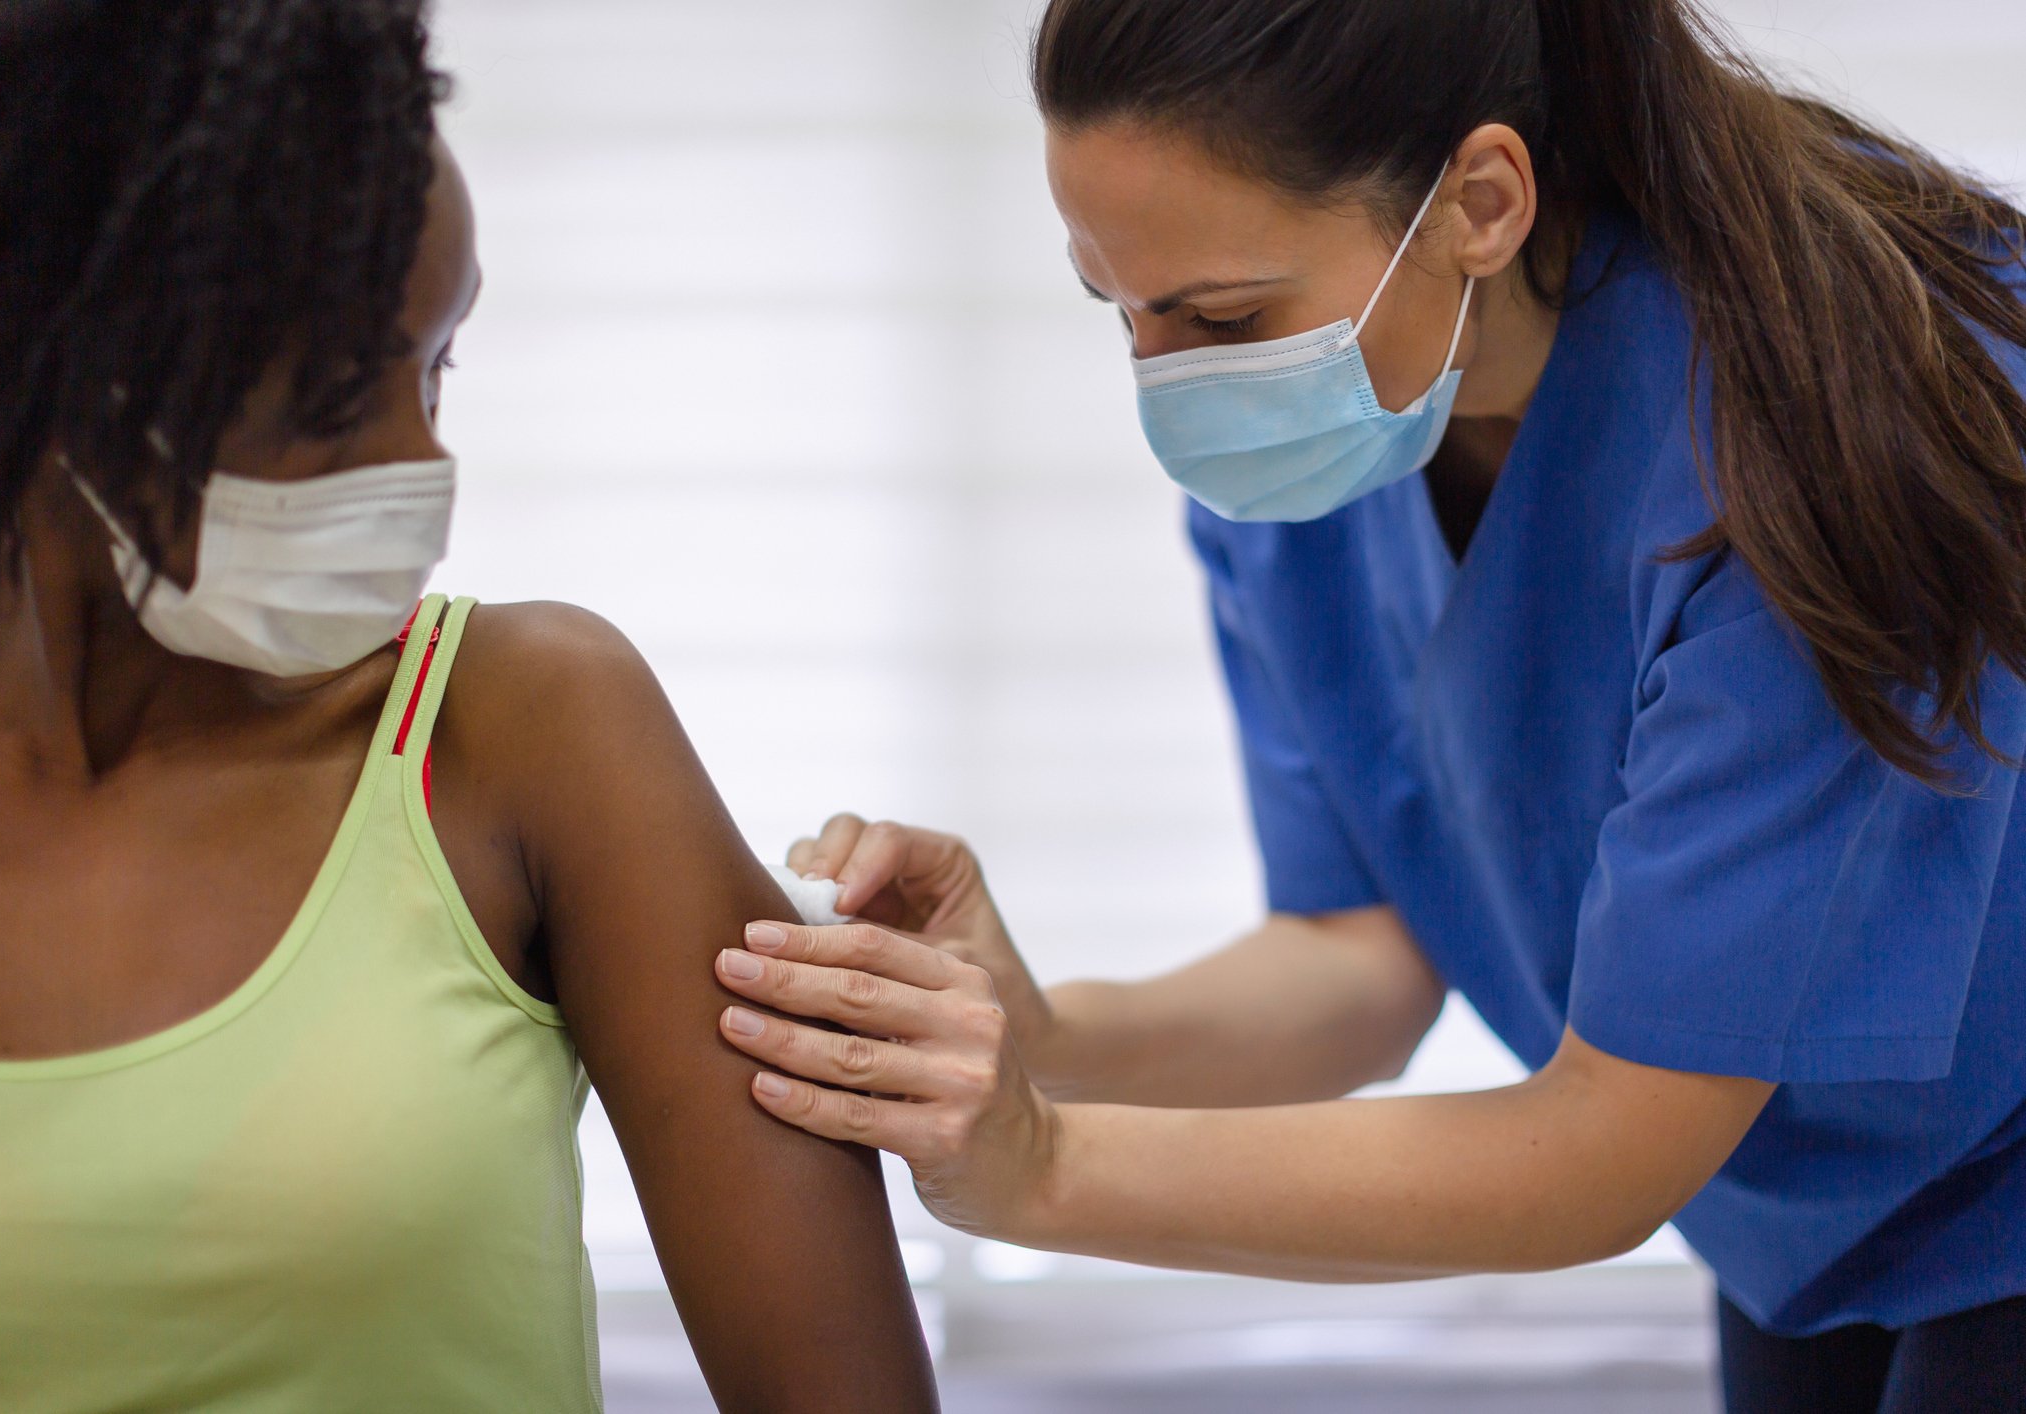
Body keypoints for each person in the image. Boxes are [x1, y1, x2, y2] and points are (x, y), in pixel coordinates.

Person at [709, 0, 2026, 1409]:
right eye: (1121, 307)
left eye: (1219, 315)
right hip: (1800, 1217)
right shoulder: (1321, 464)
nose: (1168, 384)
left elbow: (1598, 1150)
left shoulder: (1809, 446)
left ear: (1479, 201)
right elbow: (1362, 964)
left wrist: (1043, 1161)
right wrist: (1032, 1035)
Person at [0, 4, 938, 1411]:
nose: (422, 468)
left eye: (435, 364)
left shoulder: (529, 731)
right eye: (332, 399)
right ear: (54, 366)